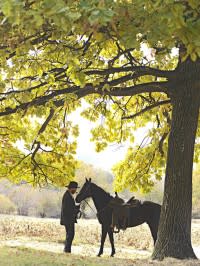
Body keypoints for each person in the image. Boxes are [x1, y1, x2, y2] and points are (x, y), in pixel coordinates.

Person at [60, 181, 80, 253]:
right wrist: (76, 210)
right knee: (70, 234)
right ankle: (67, 250)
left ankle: (67, 250)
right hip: (68, 219)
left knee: (69, 234)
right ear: (71, 188)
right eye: (75, 189)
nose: (75, 190)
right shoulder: (67, 196)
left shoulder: (69, 195)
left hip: (68, 219)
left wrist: (77, 207)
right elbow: (67, 209)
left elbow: (71, 207)